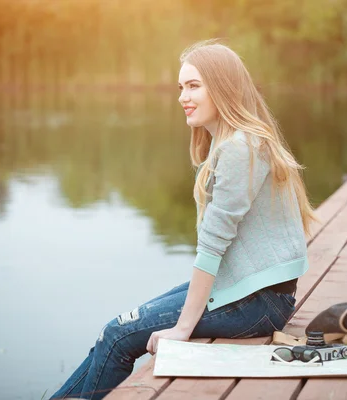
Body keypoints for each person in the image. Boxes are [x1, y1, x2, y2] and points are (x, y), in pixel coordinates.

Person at [50, 39, 317, 400]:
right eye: (181, 87)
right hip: (249, 291)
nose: (182, 97)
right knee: (114, 330)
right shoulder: (239, 143)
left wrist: (183, 327)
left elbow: (212, 244)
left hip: (257, 302)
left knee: (118, 335)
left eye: (193, 85)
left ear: (223, 88)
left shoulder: (240, 149)